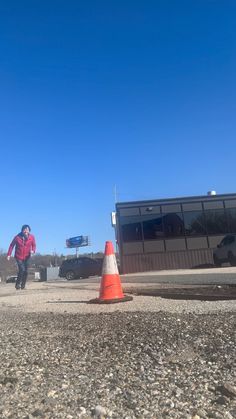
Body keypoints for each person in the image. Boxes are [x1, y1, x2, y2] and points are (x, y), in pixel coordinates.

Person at [7, 225, 36, 290]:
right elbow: (11, 245)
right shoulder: (17, 237)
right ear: (22, 230)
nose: (26, 231)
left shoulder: (32, 237)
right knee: (22, 269)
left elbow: (34, 245)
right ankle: (17, 284)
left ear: (29, 231)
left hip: (27, 256)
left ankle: (23, 285)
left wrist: (33, 251)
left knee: (26, 271)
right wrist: (9, 254)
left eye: (27, 230)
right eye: (24, 230)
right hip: (18, 256)